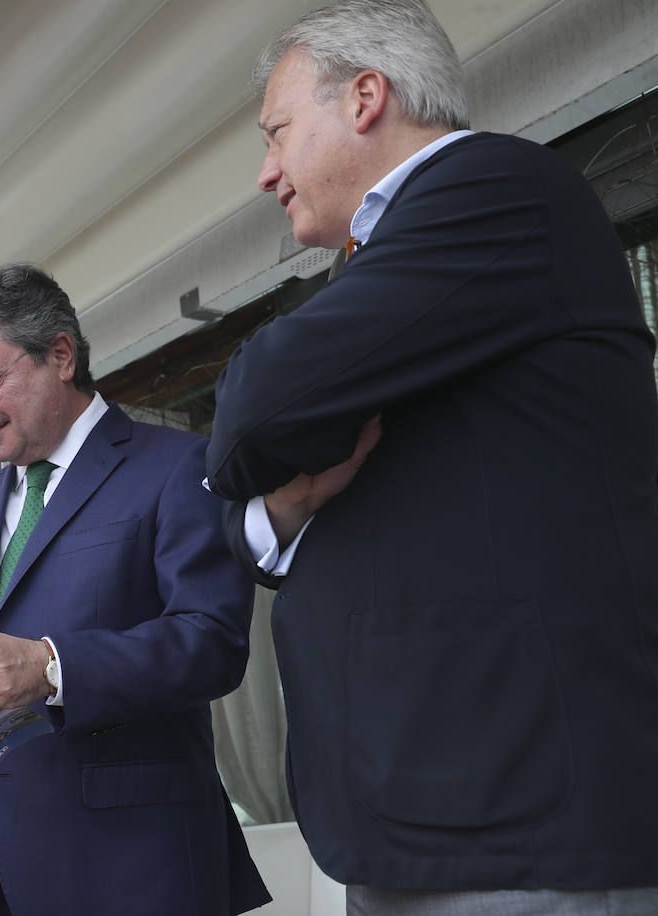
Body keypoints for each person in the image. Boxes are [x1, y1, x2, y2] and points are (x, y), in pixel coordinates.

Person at [205, 1, 658, 913]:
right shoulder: (391, 257)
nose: (266, 174)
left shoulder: (491, 186)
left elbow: (260, 406)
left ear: (366, 96)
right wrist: (286, 507)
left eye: (277, 133)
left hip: (516, 815)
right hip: (425, 809)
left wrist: (263, 438)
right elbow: (257, 493)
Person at [0, 263, 270, 916]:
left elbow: (212, 640)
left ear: (61, 355)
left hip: (131, 866)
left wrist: (50, 668)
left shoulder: (178, 465)